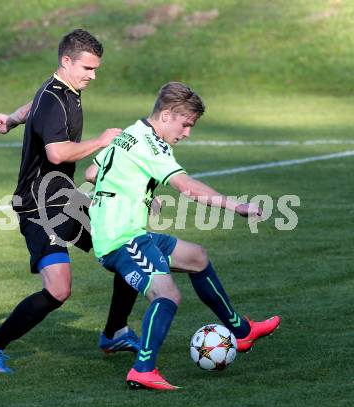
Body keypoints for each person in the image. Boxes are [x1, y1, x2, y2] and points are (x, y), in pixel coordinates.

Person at [86, 82, 281, 391]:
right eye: (185, 124)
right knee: (167, 295)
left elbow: (92, 174)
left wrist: (140, 191)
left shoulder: (130, 133)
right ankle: (143, 370)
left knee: (197, 257)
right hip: (120, 238)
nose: (187, 132)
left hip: (132, 231)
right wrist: (235, 206)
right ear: (166, 115)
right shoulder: (151, 145)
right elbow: (187, 187)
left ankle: (241, 331)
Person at [0, 29, 139, 374]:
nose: (92, 76)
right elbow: (57, 152)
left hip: (63, 198)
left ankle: (115, 332)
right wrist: (101, 141)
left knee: (127, 247)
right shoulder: (54, 97)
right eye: (87, 68)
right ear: (66, 61)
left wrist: (12, 119)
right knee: (59, 290)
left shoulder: (64, 89)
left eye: (95, 69)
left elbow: (34, 105)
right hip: (38, 207)